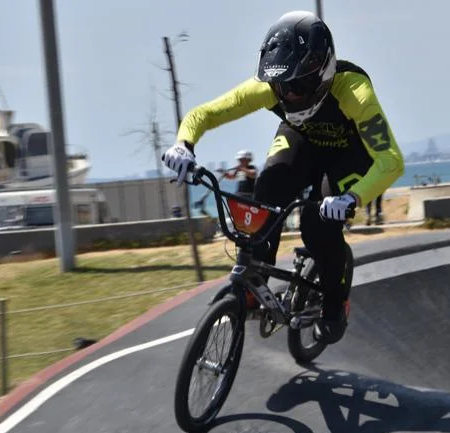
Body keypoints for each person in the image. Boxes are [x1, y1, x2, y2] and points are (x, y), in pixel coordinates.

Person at [162, 11, 405, 344]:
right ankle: (255, 278)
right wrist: (183, 145)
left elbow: (391, 161)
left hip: (349, 153)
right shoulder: (269, 88)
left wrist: (352, 198)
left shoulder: (355, 92)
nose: (288, 94)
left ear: (325, 70)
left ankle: (335, 304)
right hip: (302, 140)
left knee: (316, 225)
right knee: (267, 190)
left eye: (299, 84)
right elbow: (204, 114)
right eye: (281, 86)